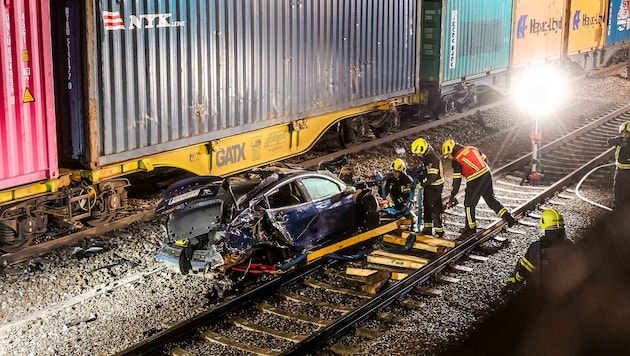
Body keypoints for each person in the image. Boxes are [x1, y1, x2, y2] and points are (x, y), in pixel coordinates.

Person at [442, 139, 517, 237]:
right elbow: (485, 159)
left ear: (451, 151)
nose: (449, 158)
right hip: (486, 173)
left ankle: (470, 229)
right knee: (490, 199)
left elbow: (457, 181)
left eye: (448, 155)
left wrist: (452, 195)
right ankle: (509, 218)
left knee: (469, 205)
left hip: (475, 179)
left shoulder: (456, 160)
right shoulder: (472, 149)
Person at [507, 208, 572, 288]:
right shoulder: (570, 245)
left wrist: (516, 279)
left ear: (543, 223)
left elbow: (525, 271)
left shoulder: (535, 248)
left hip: (540, 293)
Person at [411, 138, 445, 237]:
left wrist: (422, 184)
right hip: (430, 187)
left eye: (417, 153)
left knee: (434, 209)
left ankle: (439, 231)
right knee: (427, 207)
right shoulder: (427, 157)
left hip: (435, 187)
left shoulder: (432, 158)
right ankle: (427, 228)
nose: (417, 156)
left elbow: (433, 177)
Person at [381, 158, 416, 223]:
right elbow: (384, 194)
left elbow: (406, 197)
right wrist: (380, 186)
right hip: (395, 206)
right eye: (393, 171)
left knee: (410, 220)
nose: (394, 173)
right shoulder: (391, 180)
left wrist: (393, 203)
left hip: (405, 207)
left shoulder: (407, 181)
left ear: (401, 171)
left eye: (396, 171)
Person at [607, 121, 630, 211]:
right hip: (620, 169)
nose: (624, 135)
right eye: (623, 133)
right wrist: (618, 140)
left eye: (627, 133)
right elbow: (609, 142)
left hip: (629, 170)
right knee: (617, 187)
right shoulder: (620, 140)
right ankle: (617, 206)